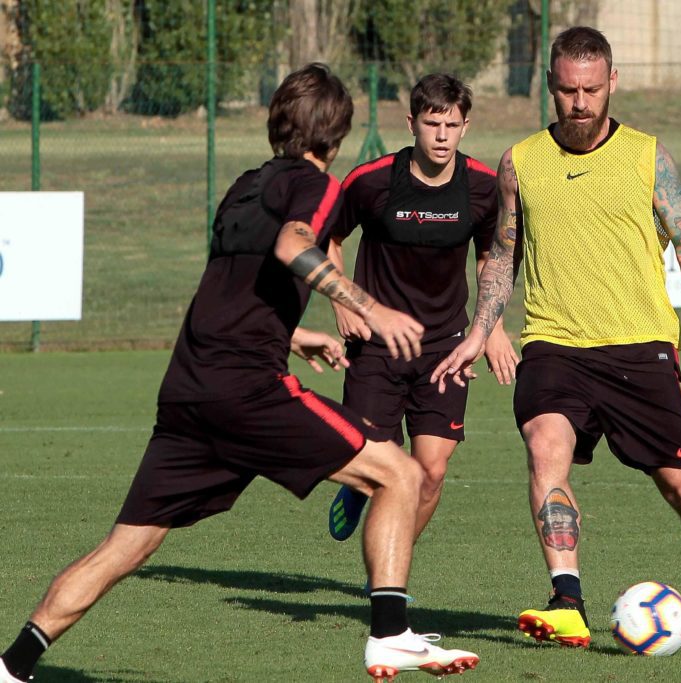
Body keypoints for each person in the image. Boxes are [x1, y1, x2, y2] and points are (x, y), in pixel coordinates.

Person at [0, 64, 478, 683]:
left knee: (128, 546)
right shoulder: (316, 184)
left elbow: (232, 281)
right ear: (335, 134)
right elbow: (291, 247)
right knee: (401, 475)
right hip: (246, 390)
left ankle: (13, 666)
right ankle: (390, 636)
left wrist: (296, 333)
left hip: (187, 389)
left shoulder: (244, 185)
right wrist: (370, 306)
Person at [432, 27, 681, 647]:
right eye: (567, 90)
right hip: (554, 345)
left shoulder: (647, 156)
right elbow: (503, 255)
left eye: (590, 89)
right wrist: (482, 330)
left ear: (611, 82)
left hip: (639, 347)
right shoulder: (522, 161)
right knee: (545, 449)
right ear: (551, 87)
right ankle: (566, 599)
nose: (579, 102)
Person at [324, 73, 518, 547]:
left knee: (430, 471)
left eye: (451, 125)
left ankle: (391, 566)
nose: (441, 136)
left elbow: (491, 257)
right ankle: (357, 490)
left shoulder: (482, 187)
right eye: (432, 124)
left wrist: (490, 328)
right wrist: (341, 300)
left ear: (465, 126)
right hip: (377, 344)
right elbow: (328, 238)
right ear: (412, 123)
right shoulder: (371, 182)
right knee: (375, 464)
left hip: (444, 348)